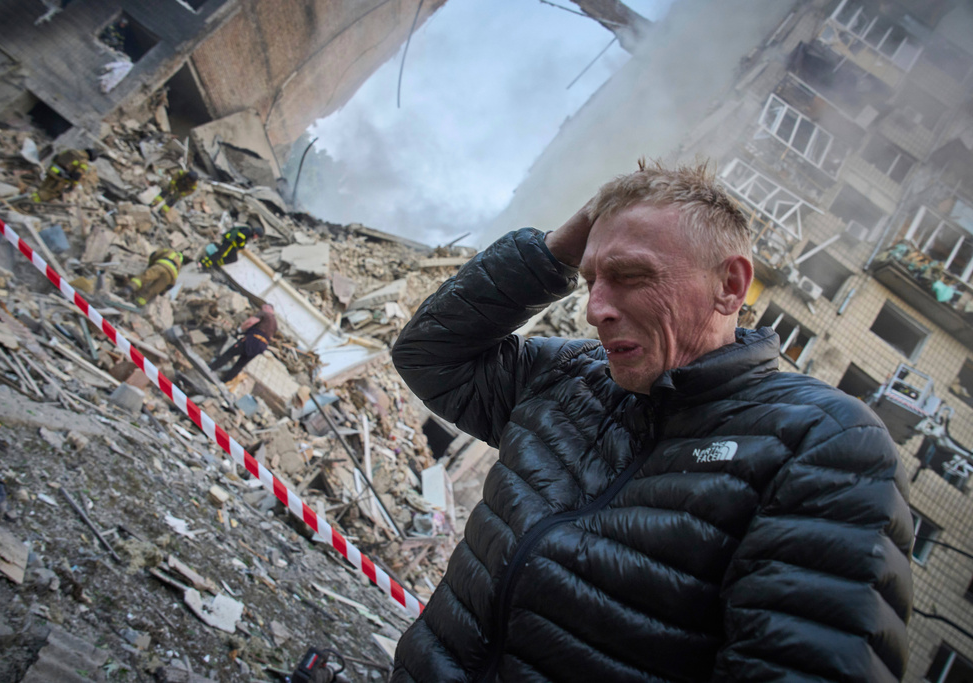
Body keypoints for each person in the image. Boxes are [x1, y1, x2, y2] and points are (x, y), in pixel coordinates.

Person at [390, 160, 913, 682]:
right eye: (591, 279)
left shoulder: (822, 441)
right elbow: (430, 356)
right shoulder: (568, 375)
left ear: (730, 285)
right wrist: (558, 250)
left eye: (630, 276)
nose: (594, 309)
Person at [208, 304, 276, 381]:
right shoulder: (275, 323)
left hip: (253, 339)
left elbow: (250, 322)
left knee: (229, 354)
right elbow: (270, 337)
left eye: (262, 308)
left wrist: (239, 330)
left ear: (267, 308)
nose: (261, 309)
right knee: (240, 364)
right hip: (262, 346)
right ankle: (224, 381)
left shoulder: (264, 314)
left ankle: (209, 368)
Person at [32, 148, 98, 203]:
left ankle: (28, 199)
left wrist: (52, 167)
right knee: (49, 193)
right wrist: (72, 186)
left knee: (42, 188)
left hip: (51, 171)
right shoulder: (83, 161)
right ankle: (30, 202)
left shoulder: (71, 151)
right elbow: (77, 174)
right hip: (59, 178)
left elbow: (56, 157)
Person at [198, 224, 263, 269]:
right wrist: (242, 246)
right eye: (257, 236)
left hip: (233, 245)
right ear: (255, 233)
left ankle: (216, 264)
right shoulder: (248, 231)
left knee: (233, 258)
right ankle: (203, 264)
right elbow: (240, 238)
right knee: (220, 254)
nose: (256, 237)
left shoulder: (249, 234)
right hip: (229, 242)